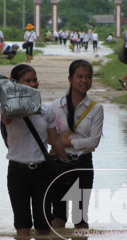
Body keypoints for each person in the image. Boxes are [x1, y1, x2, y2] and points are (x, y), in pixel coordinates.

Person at [1, 64, 69, 236]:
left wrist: (67, 163)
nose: (33, 84)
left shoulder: (46, 110)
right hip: (17, 173)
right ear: (16, 83)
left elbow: (54, 139)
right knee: (22, 225)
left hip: (42, 173)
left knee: (43, 224)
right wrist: (11, 95)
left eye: (35, 80)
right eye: (28, 80)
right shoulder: (8, 108)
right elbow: (7, 120)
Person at [50, 59, 104, 229]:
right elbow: (49, 136)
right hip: (59, 163)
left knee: (80, 218)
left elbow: (94, 142)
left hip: (83, 164)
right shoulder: (56, 106)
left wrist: (65, 142)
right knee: (58, 216)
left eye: (88, 77)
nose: (84, 81)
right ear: (70, 79)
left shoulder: (96, 108)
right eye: (79, 76)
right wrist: (61, 144)